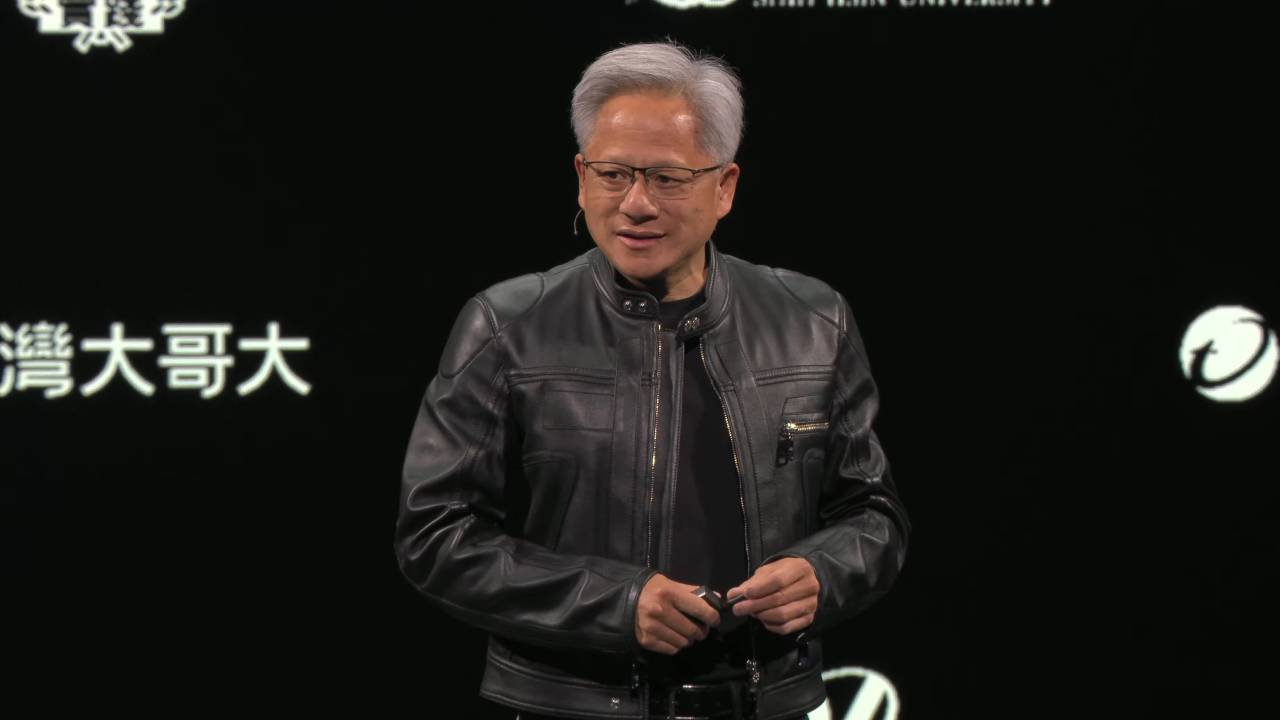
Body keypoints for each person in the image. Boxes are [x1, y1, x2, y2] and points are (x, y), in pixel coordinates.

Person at [394, 41, 910, 720]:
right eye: (612, 174)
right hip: (573, 705)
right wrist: (618, 603)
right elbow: (436, 536)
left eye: (667, 178)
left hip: (768, 702)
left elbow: (873, 516)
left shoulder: (813, 319)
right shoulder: (506, 325)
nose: (635, 204)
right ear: (581, 178)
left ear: (724, 186)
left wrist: (823, 573)